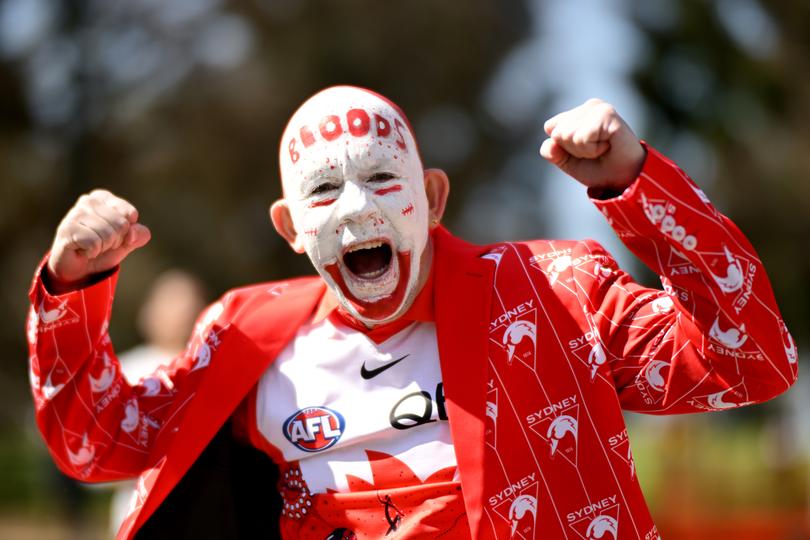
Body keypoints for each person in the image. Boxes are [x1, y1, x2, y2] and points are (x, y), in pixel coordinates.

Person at [26, 86, 798, 540]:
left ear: (430, 198)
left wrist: (633, 183)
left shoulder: (556, 294)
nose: (357, 207)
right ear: (291, 231)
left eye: (380, 179)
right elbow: (93, 444)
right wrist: (70, 290)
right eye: (324, 191)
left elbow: (754, 360)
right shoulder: (241, 333)